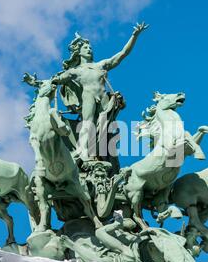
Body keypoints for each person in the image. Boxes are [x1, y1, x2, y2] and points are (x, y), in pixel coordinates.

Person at [52, 22, 149, 161]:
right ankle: (82, 150)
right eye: (85, 48)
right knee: (88, 123)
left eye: (90, 47)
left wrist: (134, 35)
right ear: (78, 52)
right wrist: (41, 83)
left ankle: (98, 152)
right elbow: (56, 80)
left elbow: (122, 54)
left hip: (103, 97)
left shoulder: (100, 65)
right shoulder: (75, 71)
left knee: (105, 126)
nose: (89, 49)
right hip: (88, 96)